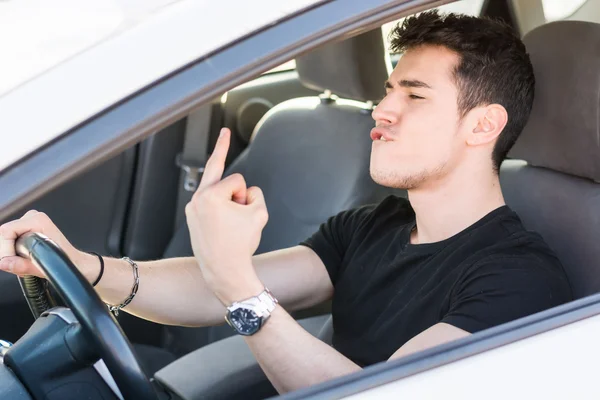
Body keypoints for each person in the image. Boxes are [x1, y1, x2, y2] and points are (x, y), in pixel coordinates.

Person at [0, 10, 572, 394]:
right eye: (388, 89)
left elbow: (385, 393)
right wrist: (83, 266)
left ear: (483, 126)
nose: (382, 109)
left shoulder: (520, 281)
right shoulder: (373, 226)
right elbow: (209, 288)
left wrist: (236, 285)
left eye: (414, 95)